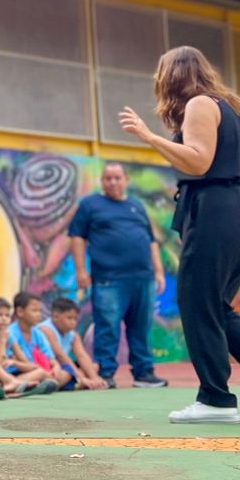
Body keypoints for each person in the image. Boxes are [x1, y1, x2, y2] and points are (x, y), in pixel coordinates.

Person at [118, 46, 240, 424]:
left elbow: (199, 159)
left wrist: (149, 137)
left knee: (196, 303)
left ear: (171, 75)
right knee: (212, 306)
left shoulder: (200, 105)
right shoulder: (229, 108)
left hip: (216, 213)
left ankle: (216, 399)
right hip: (236, 212)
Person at [67, 163, 169, 388]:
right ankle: (106, 373)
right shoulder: (90, 205)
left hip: (143, 278)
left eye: (117, 178)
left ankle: (144, 373)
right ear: (102, 182)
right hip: (109, 278)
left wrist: (159, 272)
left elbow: (151, 240)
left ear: (126, 181)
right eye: (108, 178)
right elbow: (76, 237)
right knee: (108, 326)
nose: (112, 182)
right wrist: (81, 270)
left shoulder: (137, 206)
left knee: (141, 327)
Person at [33, 296, 107, 390]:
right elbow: (61, 356)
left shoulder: (73, 335)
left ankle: (79, 382)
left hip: (64, 367)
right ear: (55, 317)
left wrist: (95, 378)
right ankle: (75, 382)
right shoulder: (46, 330)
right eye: (69, 318)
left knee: (93, 367)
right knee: (67, 374)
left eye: (75, 319)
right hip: (48, 367)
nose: (73, 323)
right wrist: (82, 378)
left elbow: (82, 356)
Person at [1, 293, 69, 392]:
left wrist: (56, 366)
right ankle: (19, 385)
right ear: (20, 312)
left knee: (67, 371)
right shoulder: (11, 333)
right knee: (40, 373)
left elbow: (51, 358)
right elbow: (12, 363)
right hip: (18, 372)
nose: (39, 314)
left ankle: (39, 385)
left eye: (40, 311)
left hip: (37, 370)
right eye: (34, 310)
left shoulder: (38, 334)